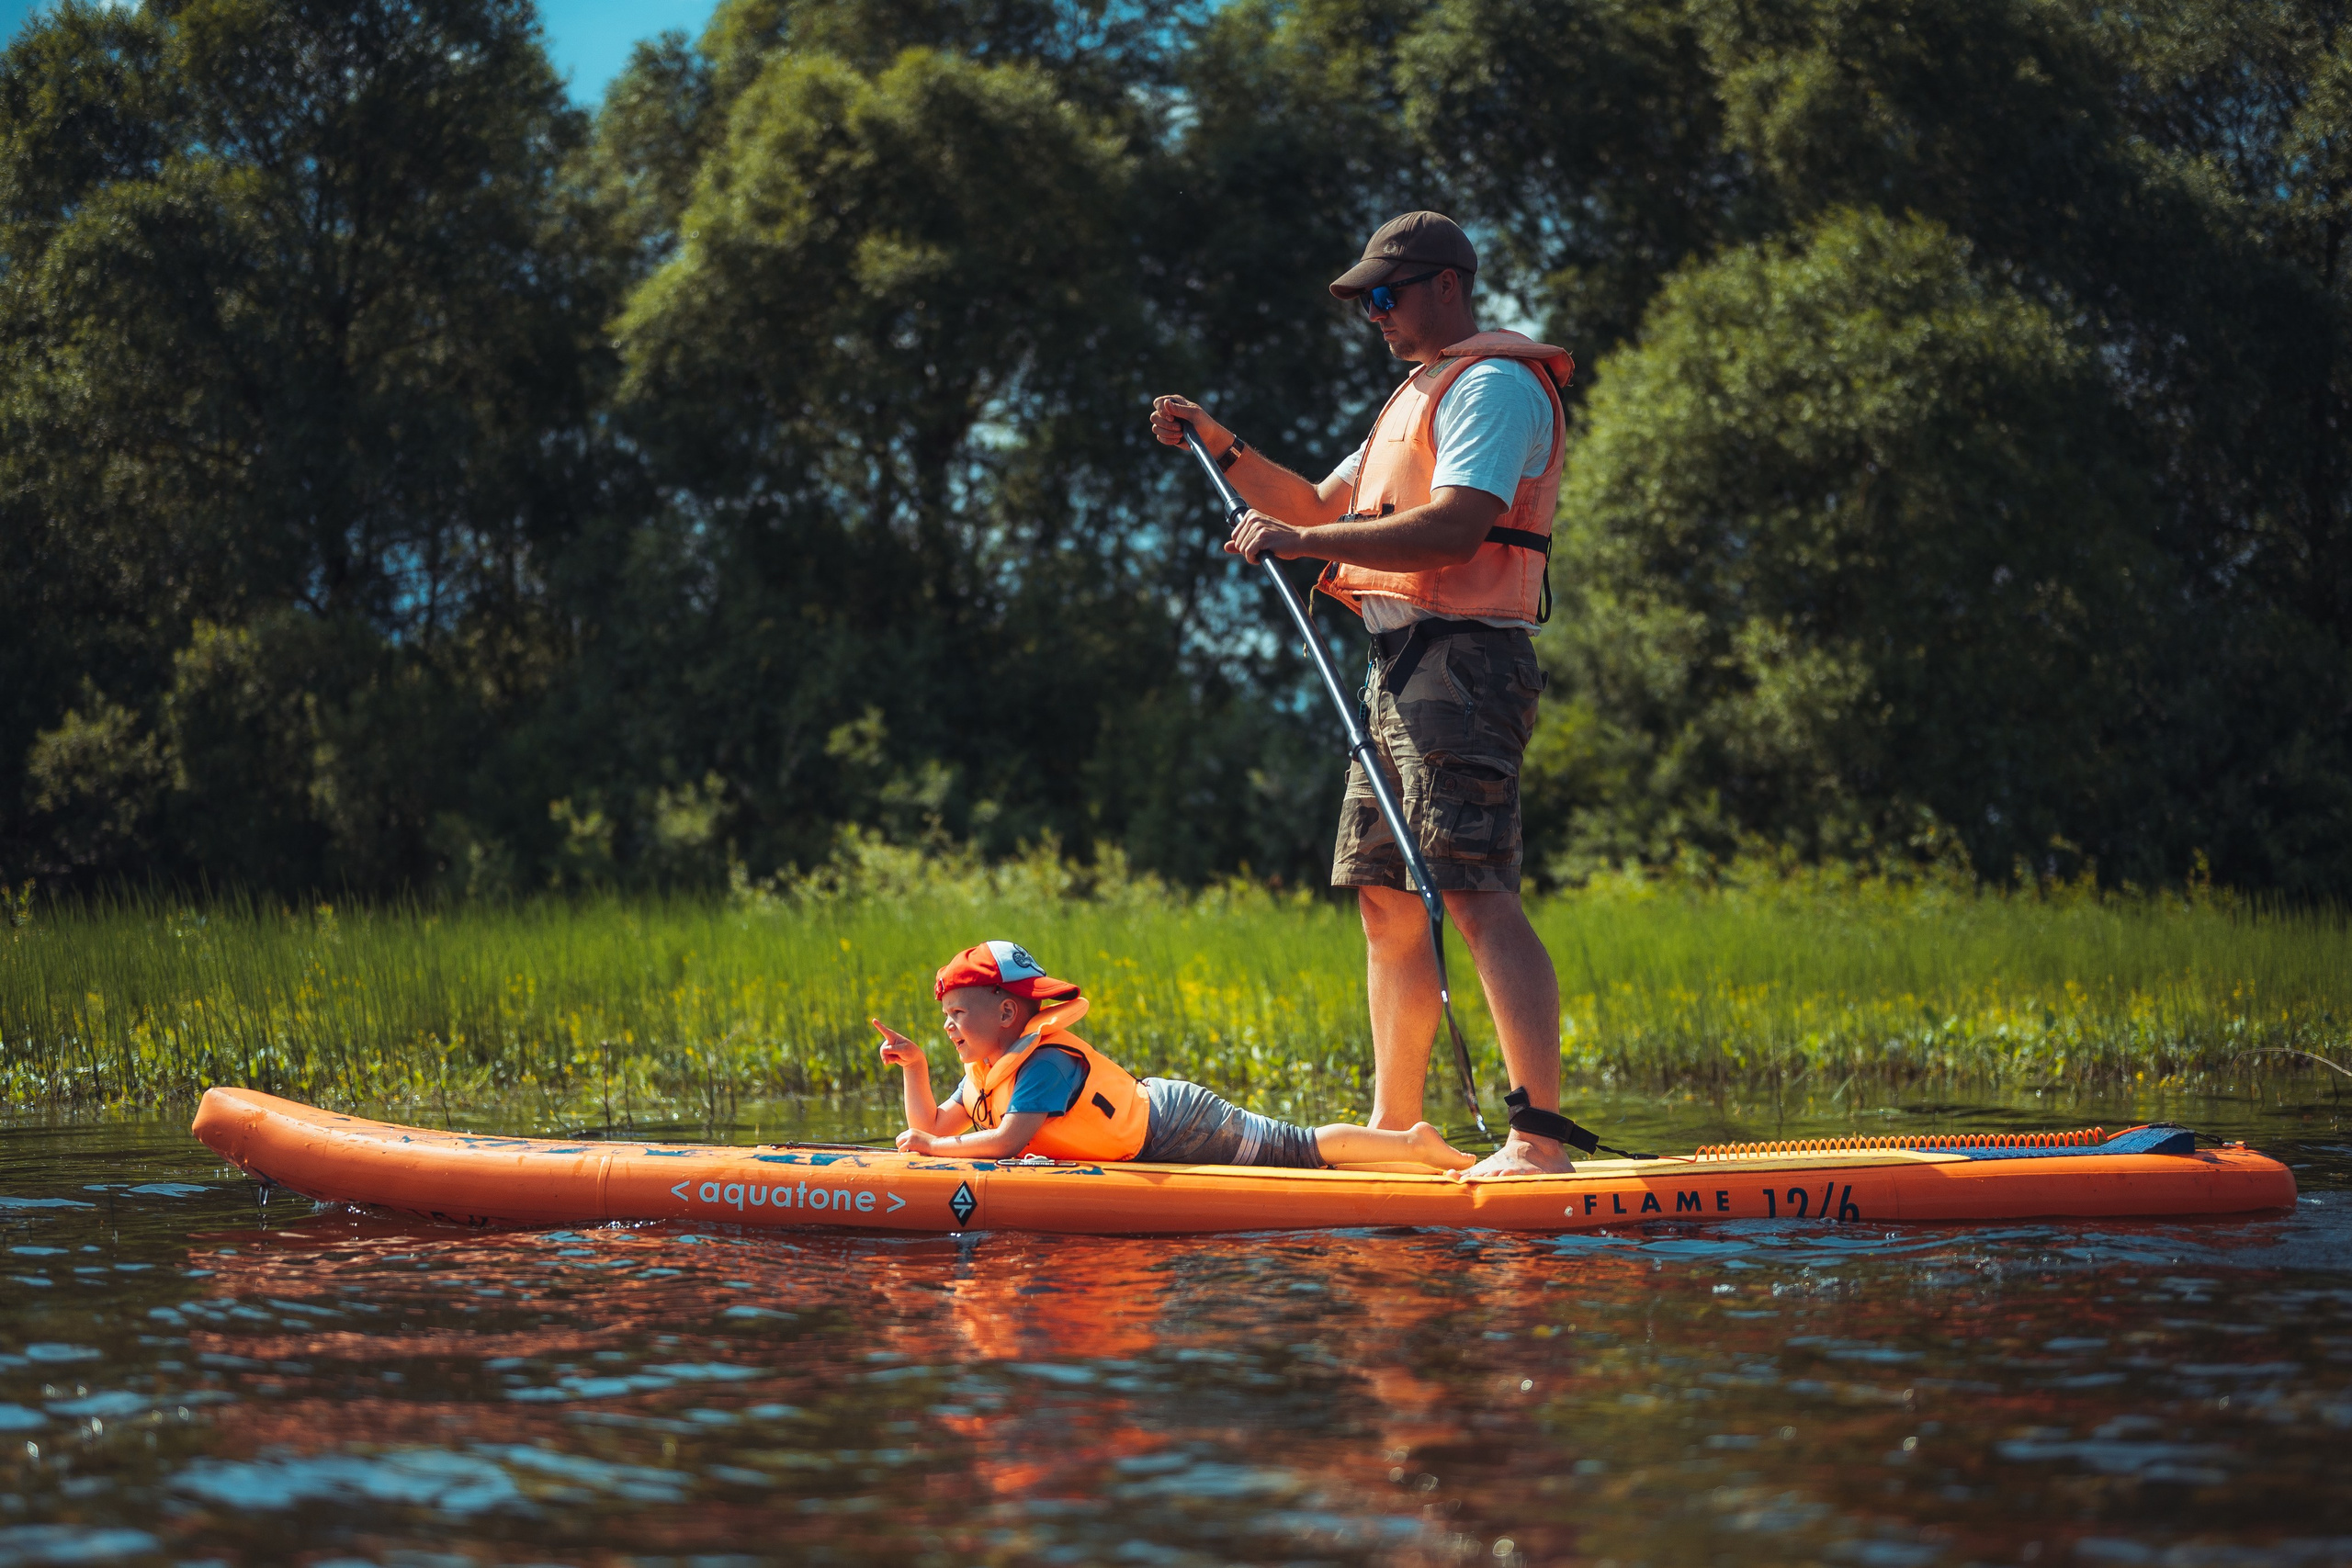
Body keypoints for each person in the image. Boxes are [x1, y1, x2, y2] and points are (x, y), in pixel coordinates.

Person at [1148, 210, 1587, 1178]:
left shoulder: (1494, 387)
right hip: (1395, 668)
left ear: (1446, 286)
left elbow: (1451, 532)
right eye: (1363, 303)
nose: (1374, 316)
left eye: (1385, 296)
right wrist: (1217, 443)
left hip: (1466, 662)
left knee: (1473, 892)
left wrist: (1301, 547)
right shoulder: (1413, 397)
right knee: (1386, 902)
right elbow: (1308, 504)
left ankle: (1538, 1143)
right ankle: (1399, 1131)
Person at [872, 941, 1471, 1170]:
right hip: (1158, 1128)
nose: (948, 1025)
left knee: (1302, 1150)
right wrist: (918, 1068)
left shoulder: (1044, 1064)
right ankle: (1403, 1154)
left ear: (1006, 1014)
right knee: (1303, 1153)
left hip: (1180, 1124)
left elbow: (1004, 1141)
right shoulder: (985, 1075)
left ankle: (1410, 1144)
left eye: (957, 1014)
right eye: (945, 1016)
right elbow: (928, 1127)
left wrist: (939, 1149)